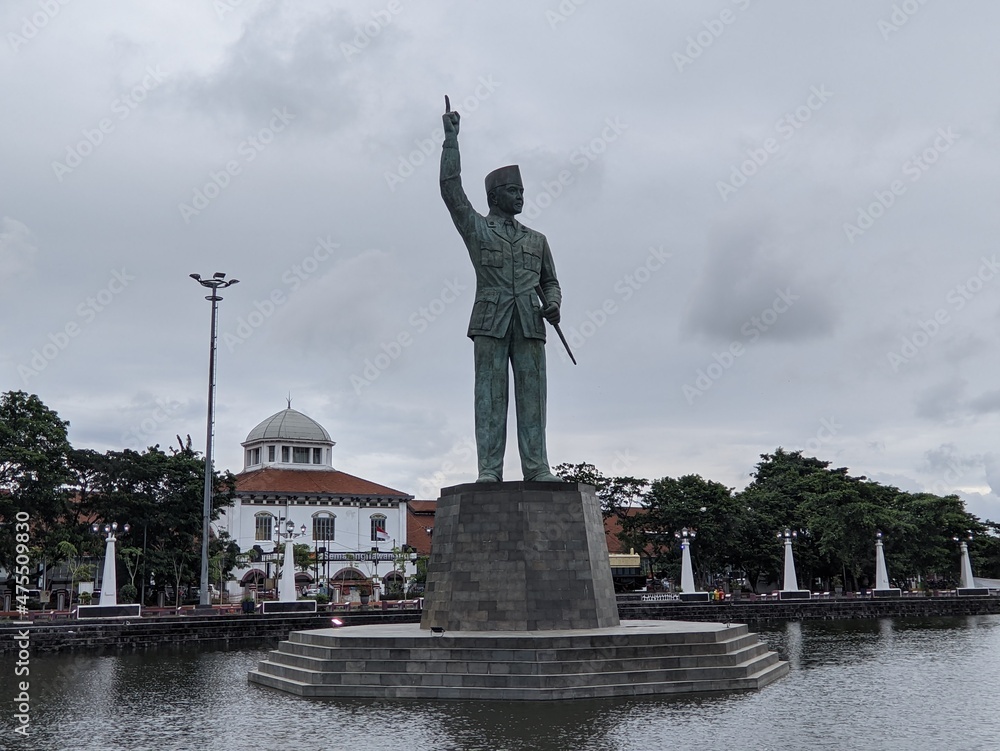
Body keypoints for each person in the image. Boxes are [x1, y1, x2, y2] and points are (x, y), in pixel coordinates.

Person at [440, 106, 562, 482]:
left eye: (522, 191)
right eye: (514, 191)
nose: (521, 196)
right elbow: (451, 190)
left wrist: (554, 303)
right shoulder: (478, 229)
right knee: (490, 400)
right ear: (495, 196)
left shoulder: (537, 240)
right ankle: (489, 470)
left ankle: (538, 467)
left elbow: (550, 282)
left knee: (533, 400)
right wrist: (451, 141)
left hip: (529, 324)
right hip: (491, 323)